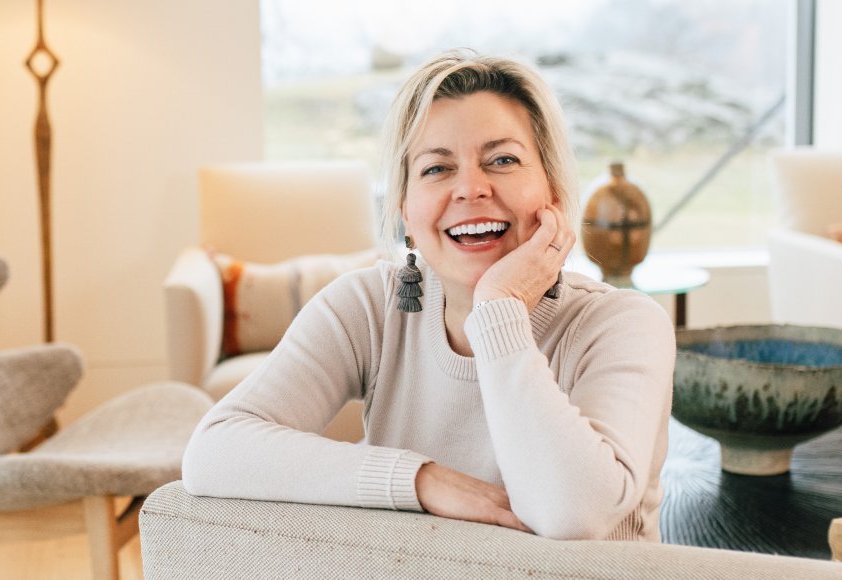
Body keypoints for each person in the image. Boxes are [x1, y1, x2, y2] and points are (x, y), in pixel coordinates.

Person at [181, 49, 675, 541]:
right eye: (437, 168)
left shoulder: (625, 324)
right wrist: (420, 480)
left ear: (554, 193)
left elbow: (573, 514)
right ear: (406, 213)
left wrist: (498, 308)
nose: (471, 189)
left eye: (502, 160)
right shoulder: (368, 306)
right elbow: (214, 451)